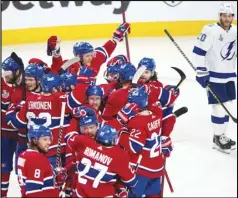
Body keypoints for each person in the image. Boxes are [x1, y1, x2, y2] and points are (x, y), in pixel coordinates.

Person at [192, 3, 237, 154]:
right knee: (218, 107)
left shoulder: (235, 31)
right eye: (224, 15)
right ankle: (218, 138)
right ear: (219, 16)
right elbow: (198, 52)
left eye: (229, 15)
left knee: (228, 106)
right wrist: (201, 72)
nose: (227, 18)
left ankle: (222, 136)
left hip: (229, 75)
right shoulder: (210, 30)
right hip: (214, 76)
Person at [118, 86, 174, 197]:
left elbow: (134, 147)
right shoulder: (156, 115)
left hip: (141, 169)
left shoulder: (137, 122)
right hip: (157, 167)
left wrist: (122, 131)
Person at [6, 73, 71, 169]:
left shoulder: (30, 99)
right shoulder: (59, 100)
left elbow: (17, 122)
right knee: (51, 182)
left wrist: (11, 109)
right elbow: (76, 100)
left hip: (33, 149)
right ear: (54, 88)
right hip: (52, 151)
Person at [64, 124, 138, 197]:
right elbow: (132, 182)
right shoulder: (119, 154)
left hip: (79, 194)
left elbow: (70, 140)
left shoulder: (86, 143)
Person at [47, 23, 131, 78]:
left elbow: (106, 49)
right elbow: (56, 69)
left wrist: (117, 35)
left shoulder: (94, 60)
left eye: (91, 54)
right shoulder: (70, 66)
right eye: (87, 56)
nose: (91, 57)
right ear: (78, 56)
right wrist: (56, 53)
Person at [1, 54, 25, 197]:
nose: (6, 77)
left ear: (17, 72)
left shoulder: (27, 85)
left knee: (21, 169)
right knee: (3, 168)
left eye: (8, 73)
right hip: (4, 135)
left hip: (22, 135)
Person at [17, 125, 59, 197]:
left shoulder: (23, 155)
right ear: (35, 140)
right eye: (45, 139)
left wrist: (54, 177)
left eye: (49, 139)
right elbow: (33, 193)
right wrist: (56, 193)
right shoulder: (37, 159)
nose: (49, 142)